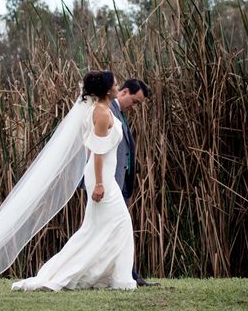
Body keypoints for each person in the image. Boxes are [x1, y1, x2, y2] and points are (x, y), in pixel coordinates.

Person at [11, 70, 136, 291]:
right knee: (118, 223)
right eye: (116, 85)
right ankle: (112, 278)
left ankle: (108, 275)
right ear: (108, 90)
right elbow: (96, 151)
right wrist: (98, 183)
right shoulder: (103, 114)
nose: (119, 87)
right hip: (102, 178)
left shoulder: (100, 110)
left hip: (101, 175)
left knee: (98, 227)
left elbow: (91, 150)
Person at [109, 78, 160, 286]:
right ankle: (132, 276)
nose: (135, 107)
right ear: (125, 92)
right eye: (135, 101)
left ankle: (127, 275)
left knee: (117, 231)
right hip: (109, 183)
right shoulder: (107, 111)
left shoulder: (118, 113)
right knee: (122, 230)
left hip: (119, 184)